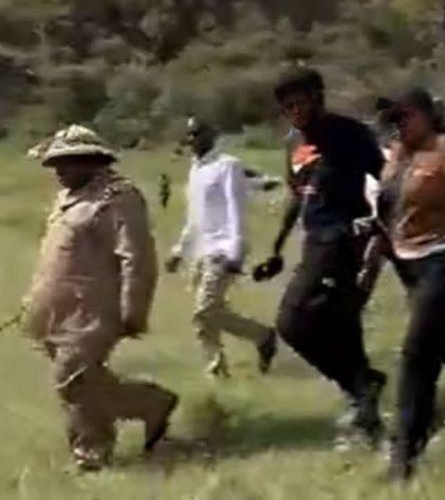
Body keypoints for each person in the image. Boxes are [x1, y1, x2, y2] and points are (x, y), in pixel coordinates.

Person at [21, 125, 178, 472]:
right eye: (54, 164)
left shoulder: (117, 197)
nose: (58, 171)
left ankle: (92, 455)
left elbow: (137, 257)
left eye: (66, 162)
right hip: (56, 311)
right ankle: (153, 403)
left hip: (92, 310)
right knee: (88, 382)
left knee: (72, 379)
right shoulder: (68, 198)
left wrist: (133, 311)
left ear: (92, 160)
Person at [365, 88, 445, 480]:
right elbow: (389, 207)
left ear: (425, 114)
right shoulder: (395, 155)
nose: (399, 126)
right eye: (392, 120)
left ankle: (405, 452)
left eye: (404, 116)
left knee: (417, 351)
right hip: (407, 260)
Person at [255, 66, 387, 441]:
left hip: (347, 240)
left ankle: (363, 386)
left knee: (292, 322)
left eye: (300, 102)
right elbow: (298, 197)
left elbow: (388, 180)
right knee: (345, 327)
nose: (295, 111)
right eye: (287, 106)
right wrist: (277, 247)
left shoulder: (350, 134)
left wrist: (379, 227)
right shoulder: (293, 145)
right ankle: (367, 416)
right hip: (315, 240)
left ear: (318, 97)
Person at [165, 118, 277, 379]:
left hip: (222, 249)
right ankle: (217, 371)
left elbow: (235, 208)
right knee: (206, 318)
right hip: (200, 251)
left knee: (204, 310)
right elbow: (194, 218)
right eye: (190, 135)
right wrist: (179, 251)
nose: (193, 139)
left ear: (212, 135)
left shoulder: (227, 166)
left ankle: (261, 335)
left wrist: (235, 252)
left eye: (198, 133)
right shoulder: (195, 170)